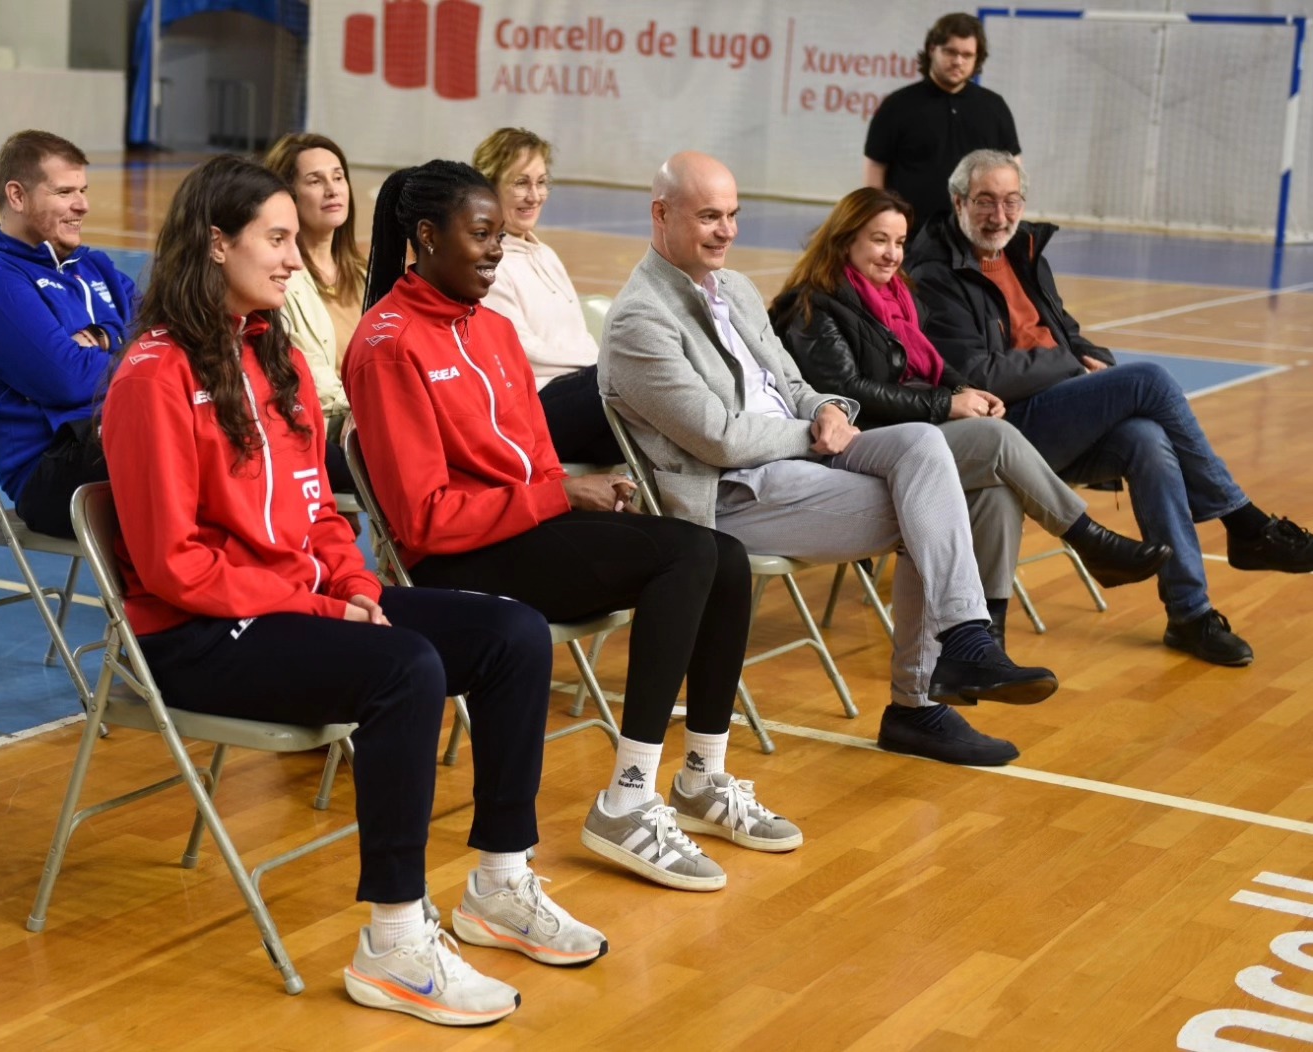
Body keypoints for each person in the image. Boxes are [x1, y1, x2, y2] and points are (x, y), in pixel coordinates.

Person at [100, 154, 607, 1028]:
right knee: (403, 669)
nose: (292, 257)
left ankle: (499, 884)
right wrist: (323, 606)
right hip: (193, 634)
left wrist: (354, 581)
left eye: (293, 239)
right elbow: (175, 566)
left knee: (512, 635)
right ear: (216, 244)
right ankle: (394, 944)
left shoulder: (280, 358)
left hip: (293, 602)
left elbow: (320, 512)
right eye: (276, 239)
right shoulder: (154, 375)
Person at [344, 159, 793, 894]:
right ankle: (627, 800)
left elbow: (538, 461)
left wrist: (580, 494)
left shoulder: (492, 329)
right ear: (425, 236)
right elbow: (424, 523)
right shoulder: (388, 345)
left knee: (725, 557)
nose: (496, 250)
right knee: (684, 556)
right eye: (481, 234)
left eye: (499, 235)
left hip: (524, 532)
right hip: (459, 559)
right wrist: (558, 497)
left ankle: (701, 776)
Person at [600, 151, 1058, 770]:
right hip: (731, 493)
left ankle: (964, 642)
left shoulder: (735, 288)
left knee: (923, 447)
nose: (727, 231)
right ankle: (920, 701)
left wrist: (828, 410)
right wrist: (810, 434)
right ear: (660, 214)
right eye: (710, 217)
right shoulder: (639, 320)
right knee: (930, 509)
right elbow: (719, 440)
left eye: (733, 215)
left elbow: (792, 385)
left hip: (799, 458)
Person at [906, 149, 1313, 666]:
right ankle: (1245, 523)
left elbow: (1068, 335)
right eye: (985, 201)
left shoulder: (1025, 252)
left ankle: (1190, 615)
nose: (1000, 215)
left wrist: (1091, 358)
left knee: (1148, 439)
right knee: (1150, 379)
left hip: (1056, 416)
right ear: (959, 202)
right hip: (1004, 432)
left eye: (1011, 201)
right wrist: (1070, 365)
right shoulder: (935, 273)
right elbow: (978, 375)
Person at [769, 187, 1170, 645]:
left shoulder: (897, 296)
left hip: (912, 434)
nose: (893, 254)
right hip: (861, 447)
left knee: (997, 490)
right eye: (880, 240)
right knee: (996, 438)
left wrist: (965, 389)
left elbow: (931, 364)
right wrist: (946, 405)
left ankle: (984, 639)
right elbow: (849, 391)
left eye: (899, 242)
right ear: (845, 241)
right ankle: (1087, 538)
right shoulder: (813, 305)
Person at [0, 129, 138, 537]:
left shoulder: (95, 267)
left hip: (115, 430)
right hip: (53, 470)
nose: (83, 205)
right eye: (65, 192)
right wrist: (143, 359)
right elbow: (70, 379)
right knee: (191, 447)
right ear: (17, 196)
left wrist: (105, 337)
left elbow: (165, 333)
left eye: (83, 190)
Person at [472, 127, 621, 464]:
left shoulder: (546, 255)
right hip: (533, 407)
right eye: (521, 183)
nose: (534, 195)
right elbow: (519, 353)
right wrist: (599, 368)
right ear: (489, 188)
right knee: (630, 379)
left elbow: (577, 337)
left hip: (585, 390)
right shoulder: (487, 263)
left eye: (541, 182)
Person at [263, 132, 365, 491]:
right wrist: (371, 408)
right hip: (326, 431)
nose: (332, 189)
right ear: (288, 196)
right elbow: (304, 377)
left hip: (370, 422)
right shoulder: (278, 281)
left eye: (338, 177)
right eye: (315, 181)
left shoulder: (366, 276)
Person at [864, 12, 1019, 237]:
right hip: (910, 237)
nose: (958, 61)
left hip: (975, 237)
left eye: (967, 55)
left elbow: (1014, 170)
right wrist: (879, 221)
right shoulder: (896, 106)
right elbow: (875, 169)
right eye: (950, 52)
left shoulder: (995, 107)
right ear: (932, 50)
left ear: (977, 59)